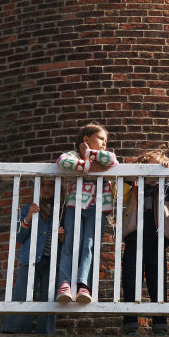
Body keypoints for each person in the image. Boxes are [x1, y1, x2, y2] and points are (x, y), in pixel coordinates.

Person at [119, 148, 169, 336]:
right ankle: (130, 323)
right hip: (133, 238)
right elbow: (118, 192)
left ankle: (160, 324)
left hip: (157, 240)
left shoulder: (166, 188)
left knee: (157, 282)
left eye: (157, 169)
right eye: (148, 170)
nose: (153, 174)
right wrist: (133, 174)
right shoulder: (134, 186)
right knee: (130, 280)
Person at [55, 122, 118, 304]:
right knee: (70, 244)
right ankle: (65, 283)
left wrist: (89, 155)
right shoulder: (73, 155)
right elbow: (62, 161)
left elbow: (112, 160)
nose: (104, 143)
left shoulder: (101, 156)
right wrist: (91, 167)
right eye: (100, 139)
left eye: (106, 140)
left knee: (89, 245)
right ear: (86, 139)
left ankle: (84, 284)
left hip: (97, 208)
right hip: (75, 206)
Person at [0, 194, 57, 334]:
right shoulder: (29, 208)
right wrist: (29, 216)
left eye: (50, 186)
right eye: (44, 186)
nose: (47, 190)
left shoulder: (60, 210)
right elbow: (20, 236)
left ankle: (45, 332)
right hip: (31, 257)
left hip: (52, 259)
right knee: (23, 291)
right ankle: (14, 328)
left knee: (48, 295)